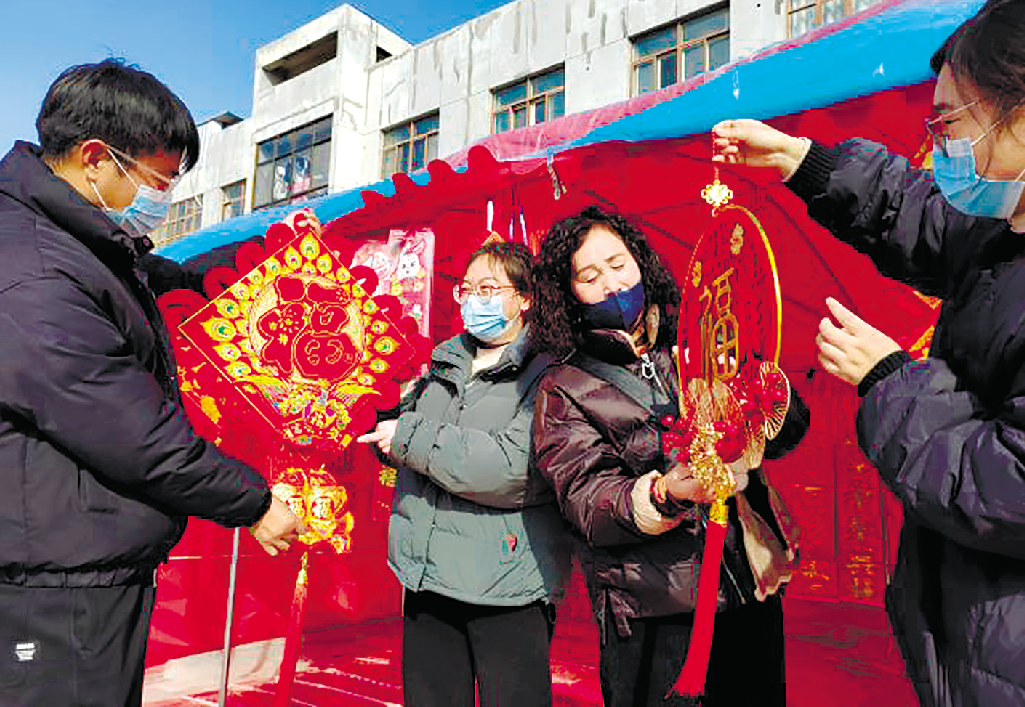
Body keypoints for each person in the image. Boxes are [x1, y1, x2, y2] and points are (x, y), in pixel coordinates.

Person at [711, 2, 1025, 705]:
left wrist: (890, 380)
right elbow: (920, 218)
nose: (938, 144)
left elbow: (1011, 487)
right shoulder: (999, 229)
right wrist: (804, 163)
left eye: (948, 123)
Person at [0, 59, 301, 707]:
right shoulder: (35, 275)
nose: (162, 199)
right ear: (94, 158)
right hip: (55, 590)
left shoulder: (62, 238)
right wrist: (252, 501)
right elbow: (133, 433)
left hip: (80, 565)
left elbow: (133, 267)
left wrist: (209, 282)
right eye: (159, 180)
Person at [529, 205, 809, 707]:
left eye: (618, 264)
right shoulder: (564, 387)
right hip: (652, 607)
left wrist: (762, 395)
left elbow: (784, 436)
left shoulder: (699, 341)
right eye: (589, 277)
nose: (612, 284)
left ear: (641, 261)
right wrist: (664, 492)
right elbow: (587, 498)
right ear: (567, 294)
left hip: (745, 582)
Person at [358, 241, 570, 707]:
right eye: (467, 289)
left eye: (489, 288)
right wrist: (379, 417)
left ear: (525, 298)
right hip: (426, 575)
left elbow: (513, 469)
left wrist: (407, 437)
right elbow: (403, 443)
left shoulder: (548, 372)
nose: (475, 300)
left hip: (506, 585)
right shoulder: (441, 363)